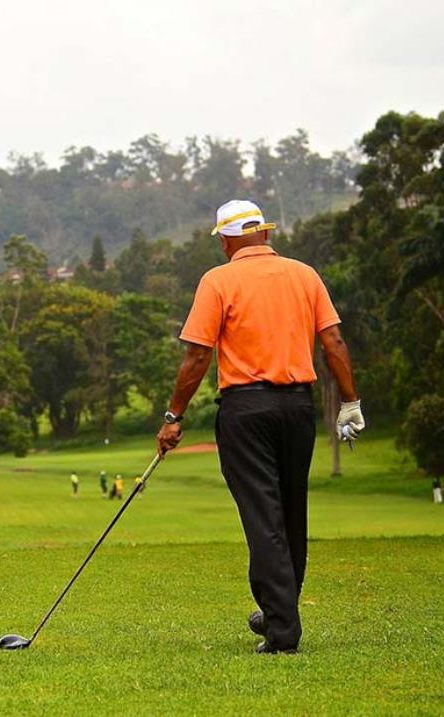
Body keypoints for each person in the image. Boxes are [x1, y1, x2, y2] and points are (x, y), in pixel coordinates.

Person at [156, 199, 364, 655]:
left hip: (246, 410)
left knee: (262, 516)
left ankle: (283, 631)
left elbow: (196, 356)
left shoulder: (218, 280)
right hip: (296, 408)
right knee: (291, 511)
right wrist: (350, 401)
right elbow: (334, 342)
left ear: (227, 240)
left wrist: (174, 417)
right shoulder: (304, 274)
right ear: (265, 234)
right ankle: (277, 612)